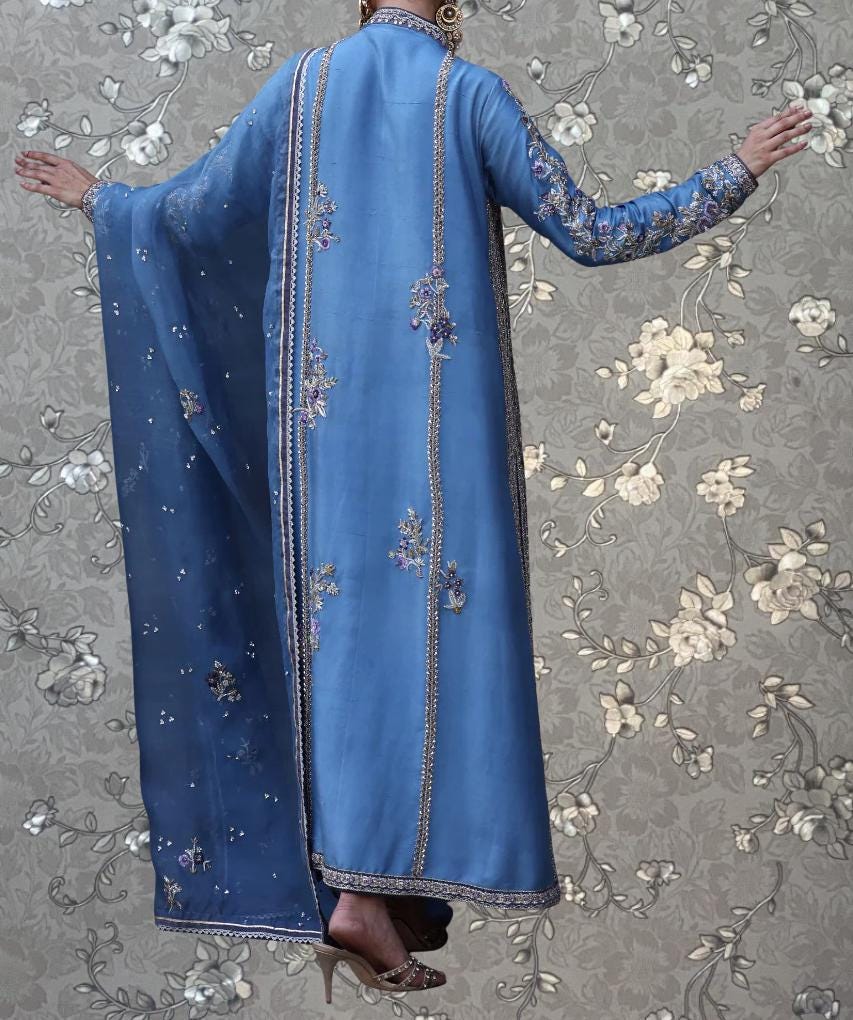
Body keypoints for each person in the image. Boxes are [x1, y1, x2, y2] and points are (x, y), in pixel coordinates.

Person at [15, 0, 810, 1001]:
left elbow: (186, 218)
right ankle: (359, 899)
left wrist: (103, 201)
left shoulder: (299, 89)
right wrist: (734, 169)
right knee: (427, 650)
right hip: (442, 442)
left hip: (323, 441)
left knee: (343, 645)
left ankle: (358, 897)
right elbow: (593, 232)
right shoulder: (464, 92)